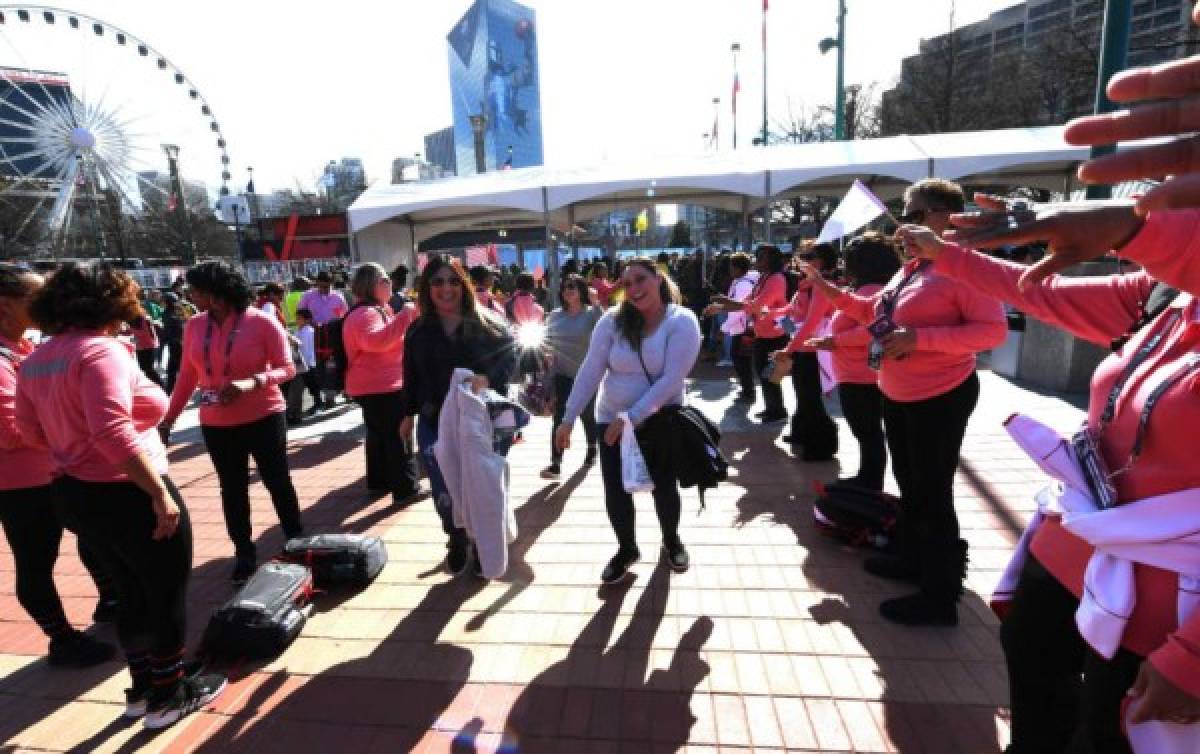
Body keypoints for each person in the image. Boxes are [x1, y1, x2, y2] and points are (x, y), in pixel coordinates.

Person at [900, 198, 1200, 749]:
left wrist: (1193, 657)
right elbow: (1040, 293)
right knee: (1035, 679)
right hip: (1080, 544)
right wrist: (946, 253)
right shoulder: (1167, 294)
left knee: (1106, 729)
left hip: (1168, 605)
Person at [15, 262, 225, 729]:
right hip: (126, 490)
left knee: (128, 593)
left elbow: (29, 431)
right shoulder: (99, 352)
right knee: (164, 593)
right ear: (112, 300)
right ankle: (170, 694)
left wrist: (72, 447)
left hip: (74, 492)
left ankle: (144, 688)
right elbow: (111, 431)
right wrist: (159, 493)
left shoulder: (35, 360)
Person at [802, 178, 1007, 627]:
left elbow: (992, 332)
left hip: (940, 395)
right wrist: (828, 290)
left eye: (913, 216)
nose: (902, 226)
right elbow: (873, 314)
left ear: (944, 218)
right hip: (899, 393)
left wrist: (920, 339)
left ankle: (940, 594)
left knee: (933, 493)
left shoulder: (965, 267)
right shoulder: (911, 268)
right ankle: (913, 559)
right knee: (912, 487)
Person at [555, 258, 702, 584]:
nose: (634, 289)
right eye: (627, 282)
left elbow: (672, 379)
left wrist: (632, 418)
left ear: (658, 279)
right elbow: (591, 369)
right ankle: (626, 548)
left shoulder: (681, 321)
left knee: (664, 486)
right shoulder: (611, 320)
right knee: (616, 490)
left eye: (641, 279)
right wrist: (567, 418)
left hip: (659, 419)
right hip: (610, 419)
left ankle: (671, 541)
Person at [0, 264, 116, 667]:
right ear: (5, 307)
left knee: (94, 537)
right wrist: (76, 423)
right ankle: (62, 638)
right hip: (21, 483)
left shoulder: (26, 349)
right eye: (35, 297)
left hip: (56, 469)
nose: (48, 303)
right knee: (35, 561)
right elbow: (13, 430)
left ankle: (110, 601)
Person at [161, 261, 304, 583]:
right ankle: (244, 552)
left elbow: (288, 368)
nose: (189, 296)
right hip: (216, 423)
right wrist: (167, 420)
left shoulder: (262, 322)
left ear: (215, 294)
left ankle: (296, 540)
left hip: (263, 415)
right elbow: (187, 375)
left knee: (276, 480)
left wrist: (252, 382)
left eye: (195, 290)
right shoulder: (195, 325)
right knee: (232, 489)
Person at [399, 256, 516, 574]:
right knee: (443, 488)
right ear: (427, 287)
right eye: (437, 281)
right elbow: (410, 375)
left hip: (483, 423)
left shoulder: (489, 323)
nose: (446, 288)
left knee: (483, 485)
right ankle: (456, 537)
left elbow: (510, 361)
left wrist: (488, 379)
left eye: (453, 280)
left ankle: (482, 543)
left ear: (463, 284)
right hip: (435, 421)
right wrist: (408, 414)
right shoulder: (418, 331)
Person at [804, 234, 902, 491]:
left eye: (849, 258)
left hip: (862, 376)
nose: (844, 263)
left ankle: (870, 482)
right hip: (859, 373)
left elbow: (876, 330)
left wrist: (835, 341)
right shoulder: (868, 288)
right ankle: (868, 478)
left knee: (868, 433)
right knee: (868, 433)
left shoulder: (872, 290)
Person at [343, 263, 422, 505]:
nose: (389, 283)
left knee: (378, 436)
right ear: (369, 285)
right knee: (399, 436)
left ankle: (380, 482)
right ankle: (406, 488)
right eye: (383, 280)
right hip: (383, 385)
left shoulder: (373, 310)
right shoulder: (366, 313)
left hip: (373, 385)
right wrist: (406, 314)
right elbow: (377, 341)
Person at [773, 242, 840, 459]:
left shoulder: (821, 286)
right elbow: (792, 310)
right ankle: (801, 434)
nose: (802, 260)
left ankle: (821, 446)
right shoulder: (806, 285)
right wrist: (769, 312)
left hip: (813, 351)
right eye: (802, 255)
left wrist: (788, 349)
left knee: (810, 398)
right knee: (803, 396)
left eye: (808, 256)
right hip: (803, 347)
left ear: (821, 261)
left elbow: (811, 321)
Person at [541, 273, 602, 479]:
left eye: (573, 286)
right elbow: (546, 341)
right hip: (562, 374)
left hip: (587, 375)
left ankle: (592, 447)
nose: (568, 290)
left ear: (582, 290)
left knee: (586, 415)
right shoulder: (555, 315)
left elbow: (606, 331)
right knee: (560, 417)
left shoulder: (591, 314)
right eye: (566, 287)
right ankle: (556, 463)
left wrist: (597, 303)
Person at [704, 252, 759, 402]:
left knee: (742, 361)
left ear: (739, 268)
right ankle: (747, 390)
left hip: (743, 328)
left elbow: (739, 308)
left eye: (732, 267)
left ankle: (749, 392)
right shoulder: (740, 281)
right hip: (740, 327)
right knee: (741, 360)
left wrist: (724, 328)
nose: (730, 270)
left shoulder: (743, 284)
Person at [299, 270, 348, 409]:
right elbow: (301, 313)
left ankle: (332, 395)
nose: (323, 290)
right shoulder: (308, 296)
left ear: (331, 284)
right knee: (318, 366)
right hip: (314, 335)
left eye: (326, 287)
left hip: (333, 335)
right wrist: (309, 323)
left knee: (333, 365)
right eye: (321, 286)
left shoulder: (338, 297)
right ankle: (319, 397)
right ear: (316, 284)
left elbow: (344, 315)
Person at [293, 308, 321, 418]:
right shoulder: (299, 330)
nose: (297, 320)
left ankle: (318, 404)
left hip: (309, 362)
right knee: (310, 385)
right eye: (297, 318)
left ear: (307, 320)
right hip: (303, 362)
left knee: (313, 385)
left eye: (299, 318)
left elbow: (304, 347)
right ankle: (317, 403)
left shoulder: (308, 331)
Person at [161, 292, 187, 395]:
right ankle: (170, 390)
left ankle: (171, 391)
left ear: (168, 302)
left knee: (177, 369)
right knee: (173, 369)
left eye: (164, 300)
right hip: (174, 344)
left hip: (178, 344)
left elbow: (181, 328)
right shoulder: (169, 312)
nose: (162, 302)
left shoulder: (175, 313)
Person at [129, 310, 163, 388]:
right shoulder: (132, 321)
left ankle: (160, 385)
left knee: (149, 369)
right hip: (140, 347)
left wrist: (136, 337)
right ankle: (152, 385)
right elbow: (131, 332)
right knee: (143, 368)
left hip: (149, 346)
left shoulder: (146, 320)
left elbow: (149, 334)